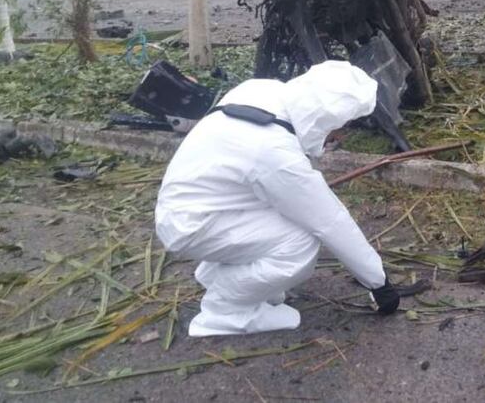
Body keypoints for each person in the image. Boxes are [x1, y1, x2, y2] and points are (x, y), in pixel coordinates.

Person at [155, 61, 399, 337]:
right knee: (299, 244)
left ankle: (223, 280)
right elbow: (329, 220)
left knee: (286, 220)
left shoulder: (263, 91)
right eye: (342, 126)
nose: (341, 134)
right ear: (323, 118)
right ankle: (225, 310)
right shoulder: (273, 151)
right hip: (192, 224)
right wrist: (379, 283)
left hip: (197, 206)